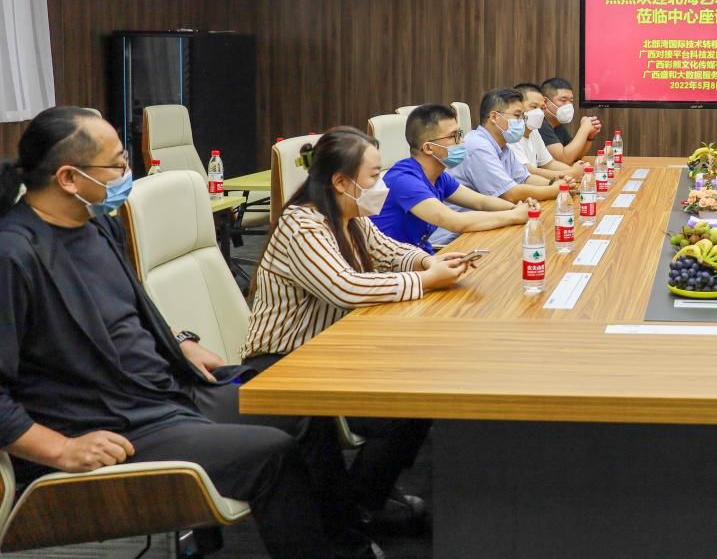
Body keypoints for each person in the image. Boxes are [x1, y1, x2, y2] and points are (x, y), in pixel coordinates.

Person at [0, 107, 340, 559]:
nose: (128, 174)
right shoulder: (14, 255)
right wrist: (60, 449)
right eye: (117, 164)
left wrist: (177, 340)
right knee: (272, 452)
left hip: (168, 389)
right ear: (68, 178)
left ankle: (350, 542)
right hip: (115, 421)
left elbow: (123, 308)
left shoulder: (96, 224)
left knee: (305, 404)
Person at [242, 127, 472, 533]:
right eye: (374, 176)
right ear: (341, 181)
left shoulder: (349, 217)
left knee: (420, 394)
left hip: (330, 350)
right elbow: (346, 288)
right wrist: (425, 281)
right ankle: (353, 511)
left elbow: (390, 251)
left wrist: (428, 263)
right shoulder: (304, 225)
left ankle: (364, 500)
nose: (381, 185)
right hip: (283, 363)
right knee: (401, 411)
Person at [372, 103, 534, 251]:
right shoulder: (404, 180)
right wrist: (514, 216)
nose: (462, 141)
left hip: (421, 257)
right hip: (395, 267)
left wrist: (517, 208)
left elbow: (481, 201)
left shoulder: (439, 177)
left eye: (460, 134)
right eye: (454, 136)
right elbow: (456, 222)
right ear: (428, 148)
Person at [451, 88, 575, 205]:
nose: (522, 121)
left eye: (522, 116)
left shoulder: (503, 146)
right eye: (517, 115)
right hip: (465, 217)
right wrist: (555, 190)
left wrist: (554, 183)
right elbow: (509, 194)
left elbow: (525, 178)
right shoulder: (478, 146)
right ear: (494, 117)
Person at [513, 83, 578, 180]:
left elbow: (549, 163)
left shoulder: (534, 131)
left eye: (542, 108)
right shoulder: (511, 134)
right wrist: (572, 173)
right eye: (534, 107)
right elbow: (528, 171)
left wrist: (577, 172)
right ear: (517, 108)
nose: (539, 112)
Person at [538, 77, 601, 165]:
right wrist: (584, 129)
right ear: (545, 102)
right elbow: (564, 159)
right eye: (563, 100)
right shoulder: (540, 123)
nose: (568, 105)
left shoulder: (557, 124)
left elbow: (575, 156)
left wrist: (589, 136)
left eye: (571, 101)